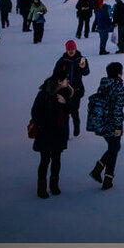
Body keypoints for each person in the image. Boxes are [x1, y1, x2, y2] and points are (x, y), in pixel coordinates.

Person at [30, 65, 73, 198]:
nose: (67, 82)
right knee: (44, 160)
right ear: (59, 81)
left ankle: (54, 185)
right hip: (46, 132)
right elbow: (35, 112)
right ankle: (42, 187)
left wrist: (65, 102)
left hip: (59, 132)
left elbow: (71, 109)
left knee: (56, 159)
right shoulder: (44, 94)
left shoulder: (66, 93)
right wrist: (43, 126)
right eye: (66, 80)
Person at [87, 61, 124, 191]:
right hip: (112, 123)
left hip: (102, 122)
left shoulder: (104, 84)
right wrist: (117, 127)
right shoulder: (118, 87)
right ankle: (105, 177)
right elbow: (116, 108)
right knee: (114, 149)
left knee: (114, 148)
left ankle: (102, 172)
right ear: (118, 73)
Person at [58, 40, 91, 136]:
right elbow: (56, 73)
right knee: (64, 112)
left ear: (76, 49)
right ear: (66, 50)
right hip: (64, 89)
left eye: (73, 49)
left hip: (77, 89)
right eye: (69, 49)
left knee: (74, 110)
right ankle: (66, 133)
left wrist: (83, 67)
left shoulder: (81, 59)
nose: (71, 51)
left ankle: (76, 128)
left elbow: (86, 72)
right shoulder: (62, 61)